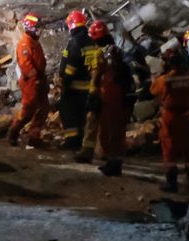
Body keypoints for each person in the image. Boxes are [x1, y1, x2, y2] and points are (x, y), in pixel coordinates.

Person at [80, 19, 133, 175]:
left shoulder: (102, 54)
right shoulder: (115, 51)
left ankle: (112, 162)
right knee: (113, 130)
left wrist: (92, 94)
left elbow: (97, 76)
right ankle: (112, 160)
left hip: (108, 96)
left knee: (109, 130)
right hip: (117, 95)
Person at [150, 45, 189, 193]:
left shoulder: (165, 79)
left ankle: (172, 183)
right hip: (186, 116)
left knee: (169, 147)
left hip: (170, 116)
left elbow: (153, 90)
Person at [7, 13, 49, 147]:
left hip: (38, 80)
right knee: (28, 110)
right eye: (37, 28)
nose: (39, 30)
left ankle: (34, 137)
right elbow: (26, 65)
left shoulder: (33, 41)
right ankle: (13, 132)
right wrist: (36, 79)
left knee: (42, 109)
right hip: (30, 82)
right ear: (30, 27)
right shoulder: (25, 43)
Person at [57, 9, 93, 150]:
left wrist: (65, 82)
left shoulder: (75, 42)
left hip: (73, 86)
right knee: (81, 115)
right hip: (87, 87)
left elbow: (71, 66)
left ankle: (72, 141)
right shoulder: (90, 41)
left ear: (72, 25)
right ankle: (80, 140)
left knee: (67, 112)